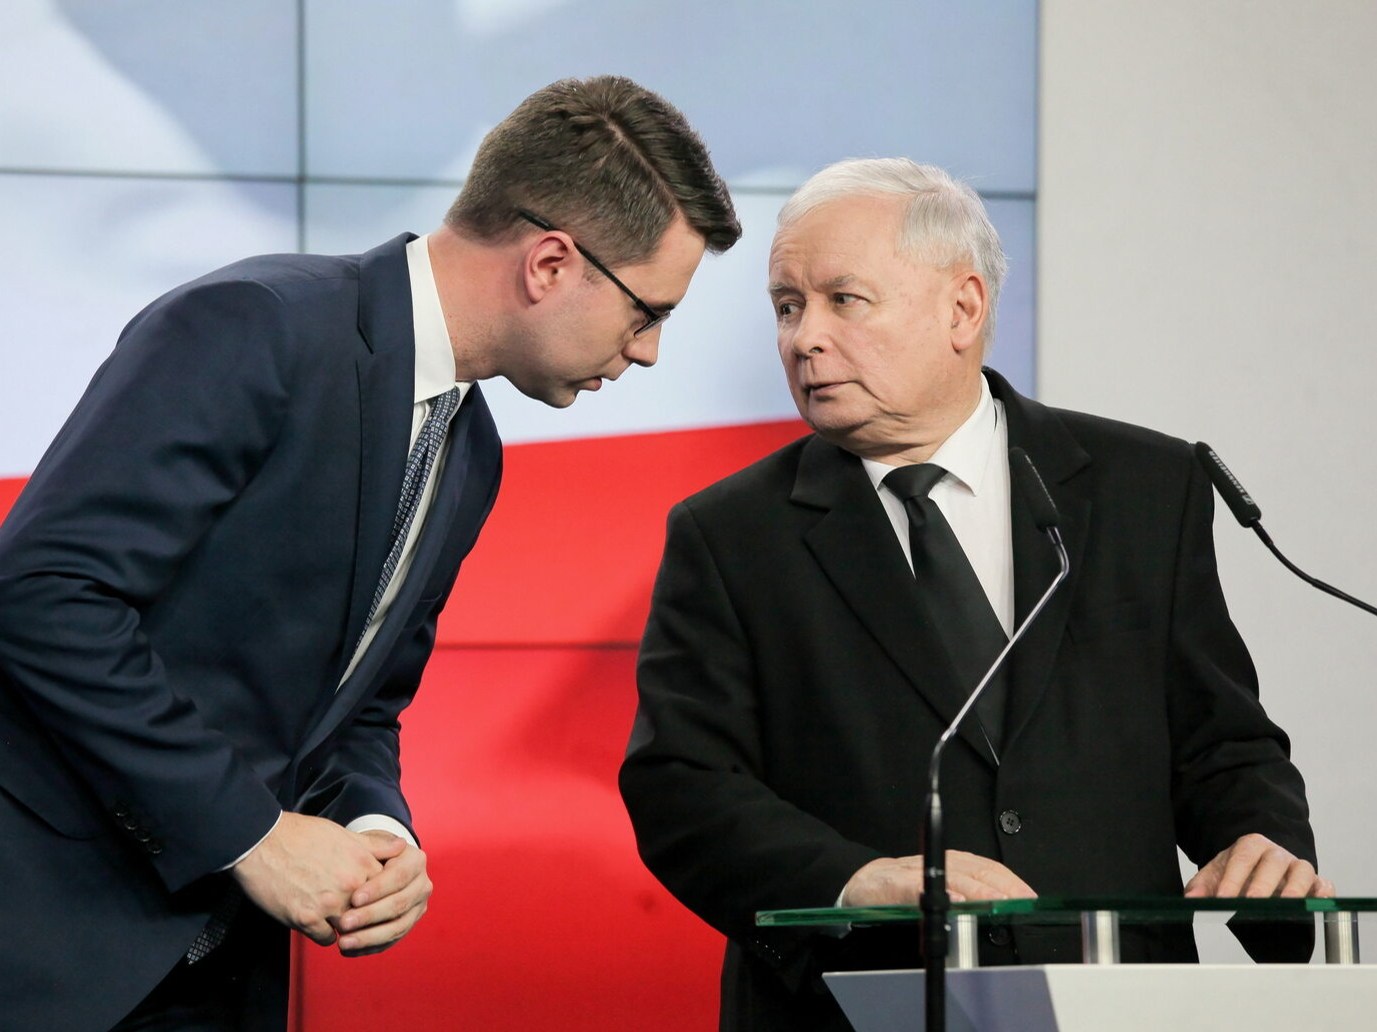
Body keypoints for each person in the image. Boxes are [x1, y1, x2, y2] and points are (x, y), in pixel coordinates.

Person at [0, 75, 740, 1032]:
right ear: (550, 263)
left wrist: (372, 823)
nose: (645, 354)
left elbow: (359, 705)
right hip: (47, 944)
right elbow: (46, 593)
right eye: (649, 312)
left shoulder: (469, 447)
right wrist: (250, 833)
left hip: (222, 968)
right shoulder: (255, 324)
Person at [618, 157, 1327, 1031]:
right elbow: (681, 785)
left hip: (1109, 1002)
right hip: (853, 1005)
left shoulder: (1144, 486)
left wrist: (1262, 845)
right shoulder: (729, 536)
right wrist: (850, 880)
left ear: (962, 308)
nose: (803, 338)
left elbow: (1221, 742)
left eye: (844, 299)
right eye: (786, 305)